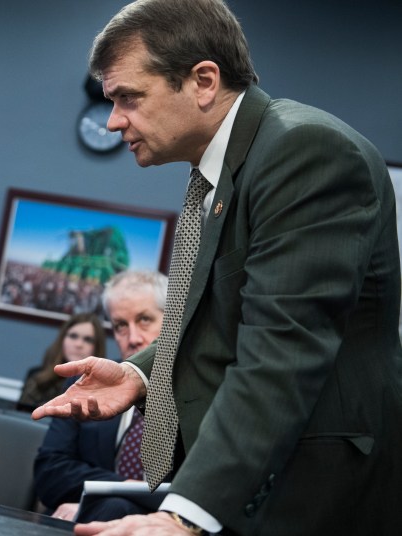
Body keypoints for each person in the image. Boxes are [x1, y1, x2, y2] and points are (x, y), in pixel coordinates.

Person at [32, 1, 402, 534]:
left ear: (204, 80)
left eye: (128, 98)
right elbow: (221, 312)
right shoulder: (231, 167)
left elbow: (282, 348)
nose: (113, 121)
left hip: (311, 493)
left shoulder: (304, 151)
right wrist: (142, 372)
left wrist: (185, 513)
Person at [34, 271, 166, 523]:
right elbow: (49, 473)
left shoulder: (201, 395)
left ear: (172, 321)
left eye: (145, 320)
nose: (134, 339)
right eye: (120, 326)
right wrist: (122, 488)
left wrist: (104, 498)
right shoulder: (87, 384)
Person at [17, 312, 107, 413]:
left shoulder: (102, 389)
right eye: (73, 336)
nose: (79, 344)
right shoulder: (36, 377)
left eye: (88, 340)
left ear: (97, 347)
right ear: (62, 339)